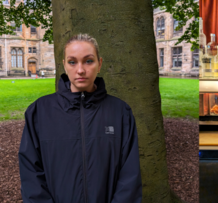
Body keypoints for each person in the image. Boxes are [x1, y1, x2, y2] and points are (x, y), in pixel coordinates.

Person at [18, 34, 142, 202]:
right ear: (64, 65)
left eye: (88, 61)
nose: (81, 70)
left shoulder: (120, 112)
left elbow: (130, 175)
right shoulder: (40, 112)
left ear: (100, 64)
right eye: (72, 62)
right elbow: (31, 175)